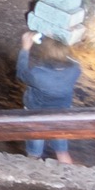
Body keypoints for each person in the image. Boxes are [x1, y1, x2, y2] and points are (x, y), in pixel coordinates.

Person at [15, 30, 83, 163]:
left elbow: (21, 74)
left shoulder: (38, 74)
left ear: (46, 56)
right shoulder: (75, 70)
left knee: (34, 153)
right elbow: (71, 59)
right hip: (61, 115)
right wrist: (56, 46)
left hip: (37, 115)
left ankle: (32, 174)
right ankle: (71, 177)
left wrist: (25, 48)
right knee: (62, 151)